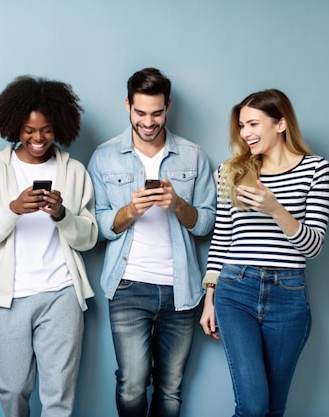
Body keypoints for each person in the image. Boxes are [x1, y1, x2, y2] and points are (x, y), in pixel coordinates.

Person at [87, 67, 216, 417]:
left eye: (157, 112)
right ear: (127, 105)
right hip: (128, 286)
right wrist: (130, 209)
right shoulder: (104, 156)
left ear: (168, 106)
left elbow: (206, 224)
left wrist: (177, 204)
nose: (148, 121)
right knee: (131, 384)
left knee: (170, 388)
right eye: (140, 112)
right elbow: (96, 227)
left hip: (182, 289)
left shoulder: (193, 156)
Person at [199, 89, 329, 417]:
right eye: (242, 126)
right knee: (253, 406)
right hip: (235, 290)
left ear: (281, 123)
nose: (245, 133)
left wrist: (276, 209)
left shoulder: (316, 170)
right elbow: (222, 239)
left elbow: (313, 246)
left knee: (273, 408)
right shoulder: (229, 171)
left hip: (288, 295)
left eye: (253, 124)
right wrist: (209, 298)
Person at [0, 75, 97, 417]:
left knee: (59, 391)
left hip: (62, 292)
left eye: (46, 129)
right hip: (9, 295)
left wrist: (61, 213)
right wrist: (13, 209)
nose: (38, 138)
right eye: (28, 129)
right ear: (14, 126)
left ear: (60, 127)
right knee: (11, 388)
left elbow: (88, 238)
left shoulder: (74, 172)